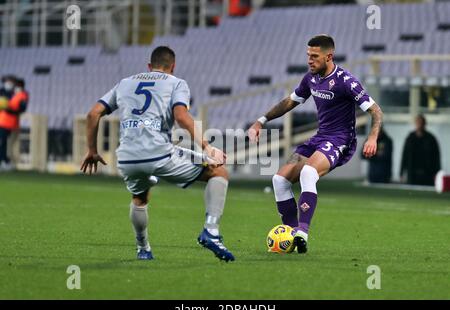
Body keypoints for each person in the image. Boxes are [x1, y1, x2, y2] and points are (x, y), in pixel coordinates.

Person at [80, 46, 235, 262]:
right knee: (219, 172)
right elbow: (181, 117)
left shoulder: (125, 83)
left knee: (140, 198)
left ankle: (143, 248)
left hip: (126, 157)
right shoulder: (177, 83)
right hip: (159, 153)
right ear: (173, 66)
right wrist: (207, 147)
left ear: (149, 66)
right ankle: (211, 230)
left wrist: (92, 150)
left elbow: (93, 113)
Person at [248, 34, 383, 253]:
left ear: (329, 56)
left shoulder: (346, 81)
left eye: (314, 56)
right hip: (319, 137)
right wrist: (260, 121)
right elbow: (290, 101)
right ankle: (291, 234)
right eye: (308, 55)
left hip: (341, 140)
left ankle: (303, 231)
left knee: (308, 172)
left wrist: (373, 137)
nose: (310, 60)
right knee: (279, 179)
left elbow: (376, 111)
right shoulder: (310, 79)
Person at [400, 114, 440, 186]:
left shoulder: (431, 139)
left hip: (427, 173)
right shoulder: (410, 138)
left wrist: (437, 173)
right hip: (412, 173)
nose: (420, 125)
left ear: (425, 124)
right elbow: (404, 155)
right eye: (418, 122)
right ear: (415, 123)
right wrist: (401, 172)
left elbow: (436, 157)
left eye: (421, 123)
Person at [0, 77, 28, 169]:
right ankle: (5, 161)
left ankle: (4, 161)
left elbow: (21, 109)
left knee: (3, 142)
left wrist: (8, 108)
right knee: (3, 142)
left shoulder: (21, 95)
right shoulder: (4, 92)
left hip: (7, 123)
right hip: (2, 121)